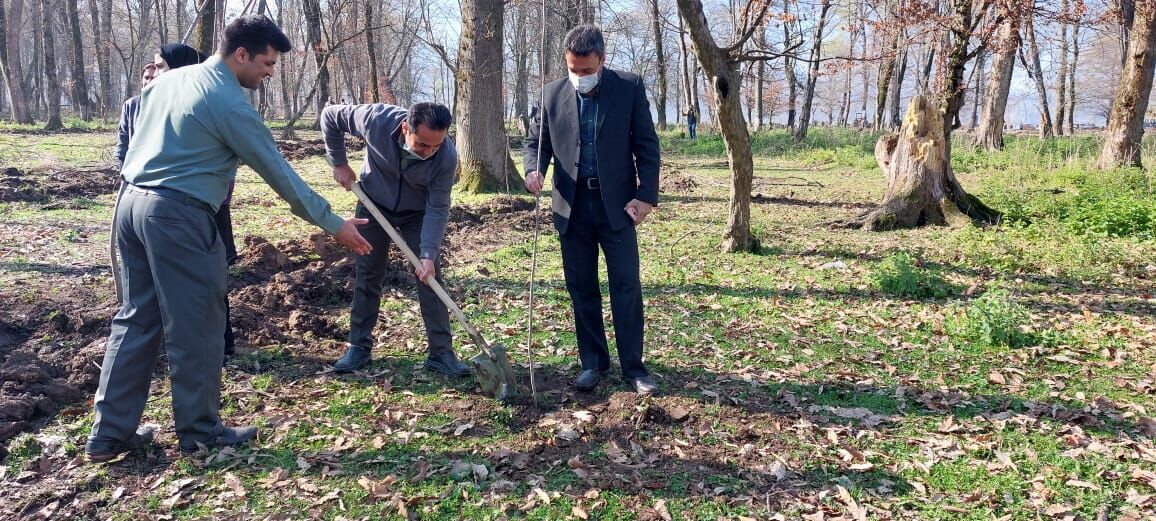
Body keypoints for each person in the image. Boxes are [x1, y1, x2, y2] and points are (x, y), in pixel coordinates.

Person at [85, 15, 372, 463]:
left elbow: (138, 141)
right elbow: (280, 174)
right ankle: (200, 434)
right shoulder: (228, 103)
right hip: (178, 218)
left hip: (131, 207)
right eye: (267, 62)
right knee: (196, 325)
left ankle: (108, 436)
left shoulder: (168, 82)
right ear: (241, 54)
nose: (269, 72)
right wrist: (334, 223)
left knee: (136, 318)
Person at [524, 25, 661, 395]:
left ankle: (633, 366)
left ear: (601, 59)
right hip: (572, 206)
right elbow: (537, 141)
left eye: (586, 70)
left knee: (626, 286)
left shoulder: (628, 87)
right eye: (573, 69)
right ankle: (593, 362)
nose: (579, 77)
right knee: (581, 287)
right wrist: (533, 169)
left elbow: (647, 146)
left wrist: (646, 196)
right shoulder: (550, 94)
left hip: (618, 206)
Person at [321, 101, 470, 378]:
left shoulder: (446, 156)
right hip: (373, 204)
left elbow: (438, 207)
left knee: (430, 277)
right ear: (405, 128)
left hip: (417, 212)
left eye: (436, 146)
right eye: (423, 145)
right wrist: (339, 162)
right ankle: (358, 347)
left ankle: (441, 353)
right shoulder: (375, 120)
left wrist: (427, 253)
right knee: (368, 273)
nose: (429, 153)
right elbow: (330, 116)